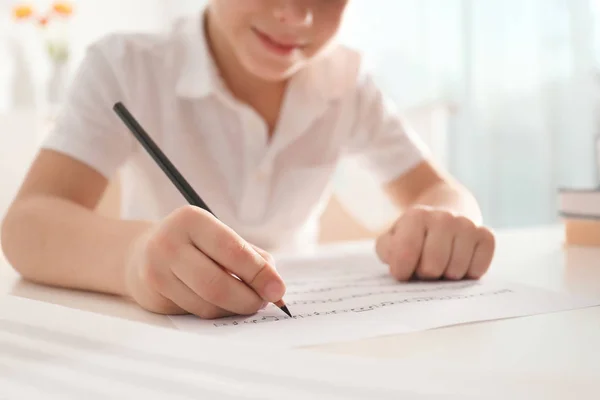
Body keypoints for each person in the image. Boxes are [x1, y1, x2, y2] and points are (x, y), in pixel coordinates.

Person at [1, 0, 495, 320]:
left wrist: (449, 219)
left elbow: (441, 191)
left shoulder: (348, 82)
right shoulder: (125, 65)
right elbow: (26, 224)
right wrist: (135, 258)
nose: (298, 17)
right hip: (161, 339)